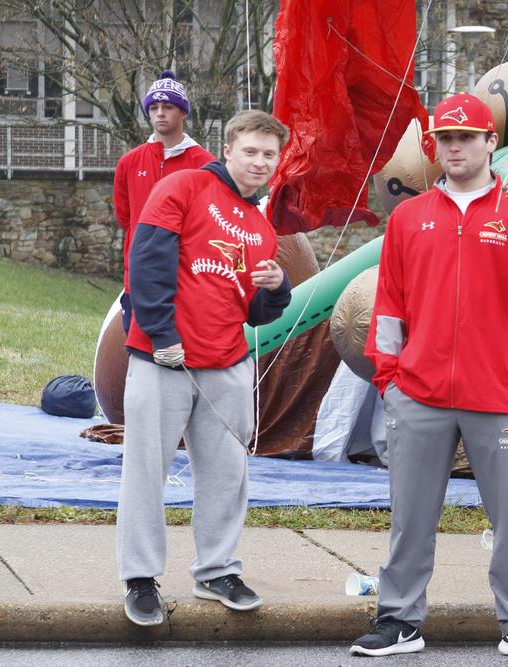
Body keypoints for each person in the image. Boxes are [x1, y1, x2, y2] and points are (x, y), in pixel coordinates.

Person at [351, 93, 508, 661]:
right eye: (446, 139)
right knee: (410, 517)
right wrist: (390, 381)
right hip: (417, 395)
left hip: (497, 396)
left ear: (491, 142)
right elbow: (390, 306)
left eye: (467, 137)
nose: (455, 148)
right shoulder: (410, 217)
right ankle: (399, 619)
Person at [116, 110, 292, 627]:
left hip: (227, 362)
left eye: (269, 155)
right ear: (229, 148)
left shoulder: (261, 227)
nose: (259, 162)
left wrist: (276, 287)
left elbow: (254, 311)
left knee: (227, 474)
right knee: (147, 469)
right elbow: (146, 262)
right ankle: (141, 578)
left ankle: (217, 570)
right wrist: (162, 334)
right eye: (251, 151)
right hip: (163, 358)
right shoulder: (184, 187)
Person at [113, 69, 214, 333]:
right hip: (139, 279)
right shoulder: (129, 163)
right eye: (154, 107)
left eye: (168, 106)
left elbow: (212, 224)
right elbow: (126, 218)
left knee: (185, 359)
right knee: (139, 356)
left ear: (182, 112)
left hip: (188, 282)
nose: (160, 113)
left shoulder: (205, 165)